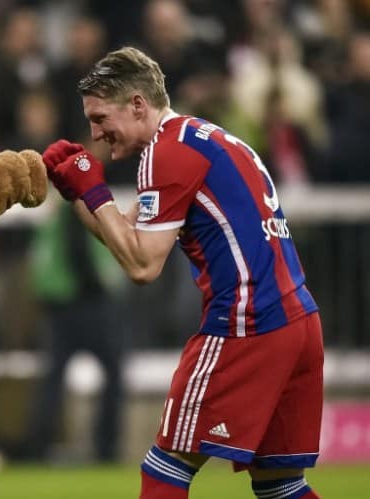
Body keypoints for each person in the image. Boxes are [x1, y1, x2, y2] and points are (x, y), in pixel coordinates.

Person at [42, 46, 323, 499]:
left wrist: (93, 191)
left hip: (246, 322)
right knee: (281, 486)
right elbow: (127, 235)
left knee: (164, 468)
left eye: (100, 118)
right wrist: (77, 193)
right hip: (300, 322)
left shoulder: (166, 153)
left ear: (137, 104)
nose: (96, 134)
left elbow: (142, 265)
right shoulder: (203, 139)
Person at [24, 202, 126, 462]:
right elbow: (98, 261)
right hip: (90, 305)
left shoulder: (54, 218)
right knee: (112, 375)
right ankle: (106, 448)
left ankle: (40, 448)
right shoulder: (86, 213)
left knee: (53, 380)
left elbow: (40, 265)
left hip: (60, 306)